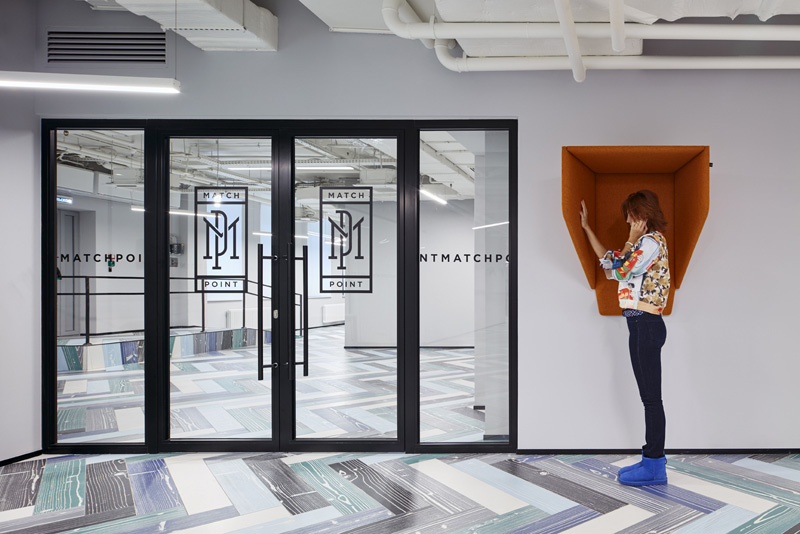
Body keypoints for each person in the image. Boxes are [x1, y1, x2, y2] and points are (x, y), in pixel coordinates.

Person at [579, 190, 670, 486]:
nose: (628, 221)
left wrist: (630, 240)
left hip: (646, 324)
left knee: (651, 399)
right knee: (648, 398)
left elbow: (622, 271)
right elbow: (610, 263)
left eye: (631, 215)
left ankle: (655, 466)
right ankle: (650, 459)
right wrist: (587, 228)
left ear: (643, 214)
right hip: (638, 324)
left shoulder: (650, 242)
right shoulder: (640, 245)